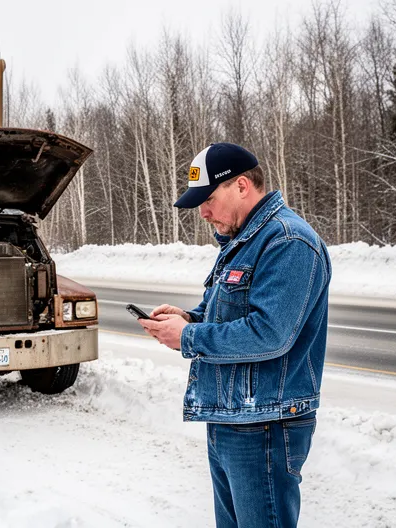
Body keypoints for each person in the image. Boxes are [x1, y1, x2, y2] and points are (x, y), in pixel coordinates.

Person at [138, 143, 331, 528]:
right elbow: (233, 312)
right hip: (233, 417)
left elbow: (269, 334)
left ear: (242, 186)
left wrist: (190, 338)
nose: (203, 212)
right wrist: (188, 318)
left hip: (264, 426)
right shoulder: (243, 241)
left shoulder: (288, 241)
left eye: (208, 199)